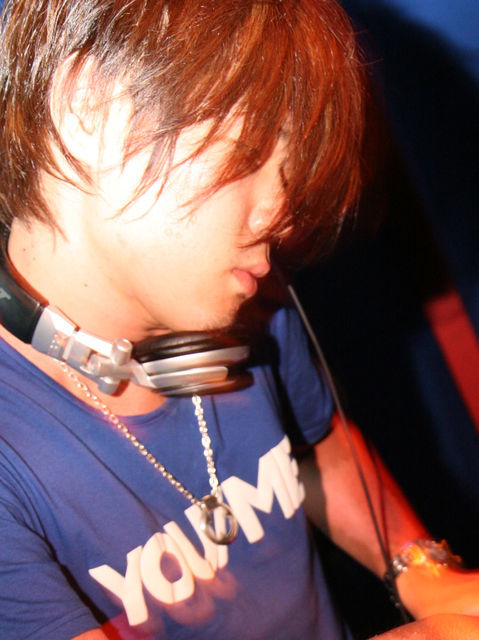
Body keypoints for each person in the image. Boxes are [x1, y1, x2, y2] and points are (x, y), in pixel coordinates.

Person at [0, 1, 478, 639]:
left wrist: (418, 567)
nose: (283, 214)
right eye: (251, 151)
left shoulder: (248, 306)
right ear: (92, 104)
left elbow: (316, 447)